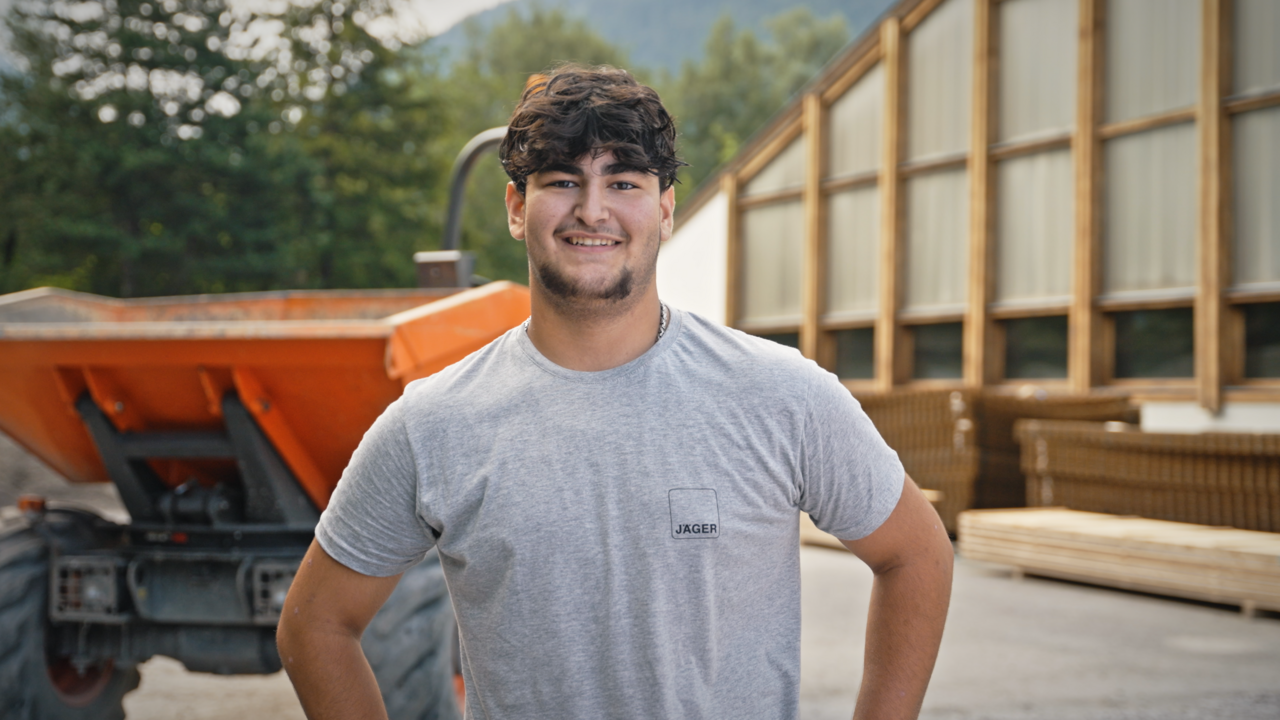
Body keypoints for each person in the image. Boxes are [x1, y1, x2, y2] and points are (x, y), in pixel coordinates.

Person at [277, 65, 953, 720]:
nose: (592, 210)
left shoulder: (782, 396)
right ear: (517, 208)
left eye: (622, 181)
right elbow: (315, 626)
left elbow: (917, 555)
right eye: (562, 181)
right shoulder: (433, 423)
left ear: (664, 208)